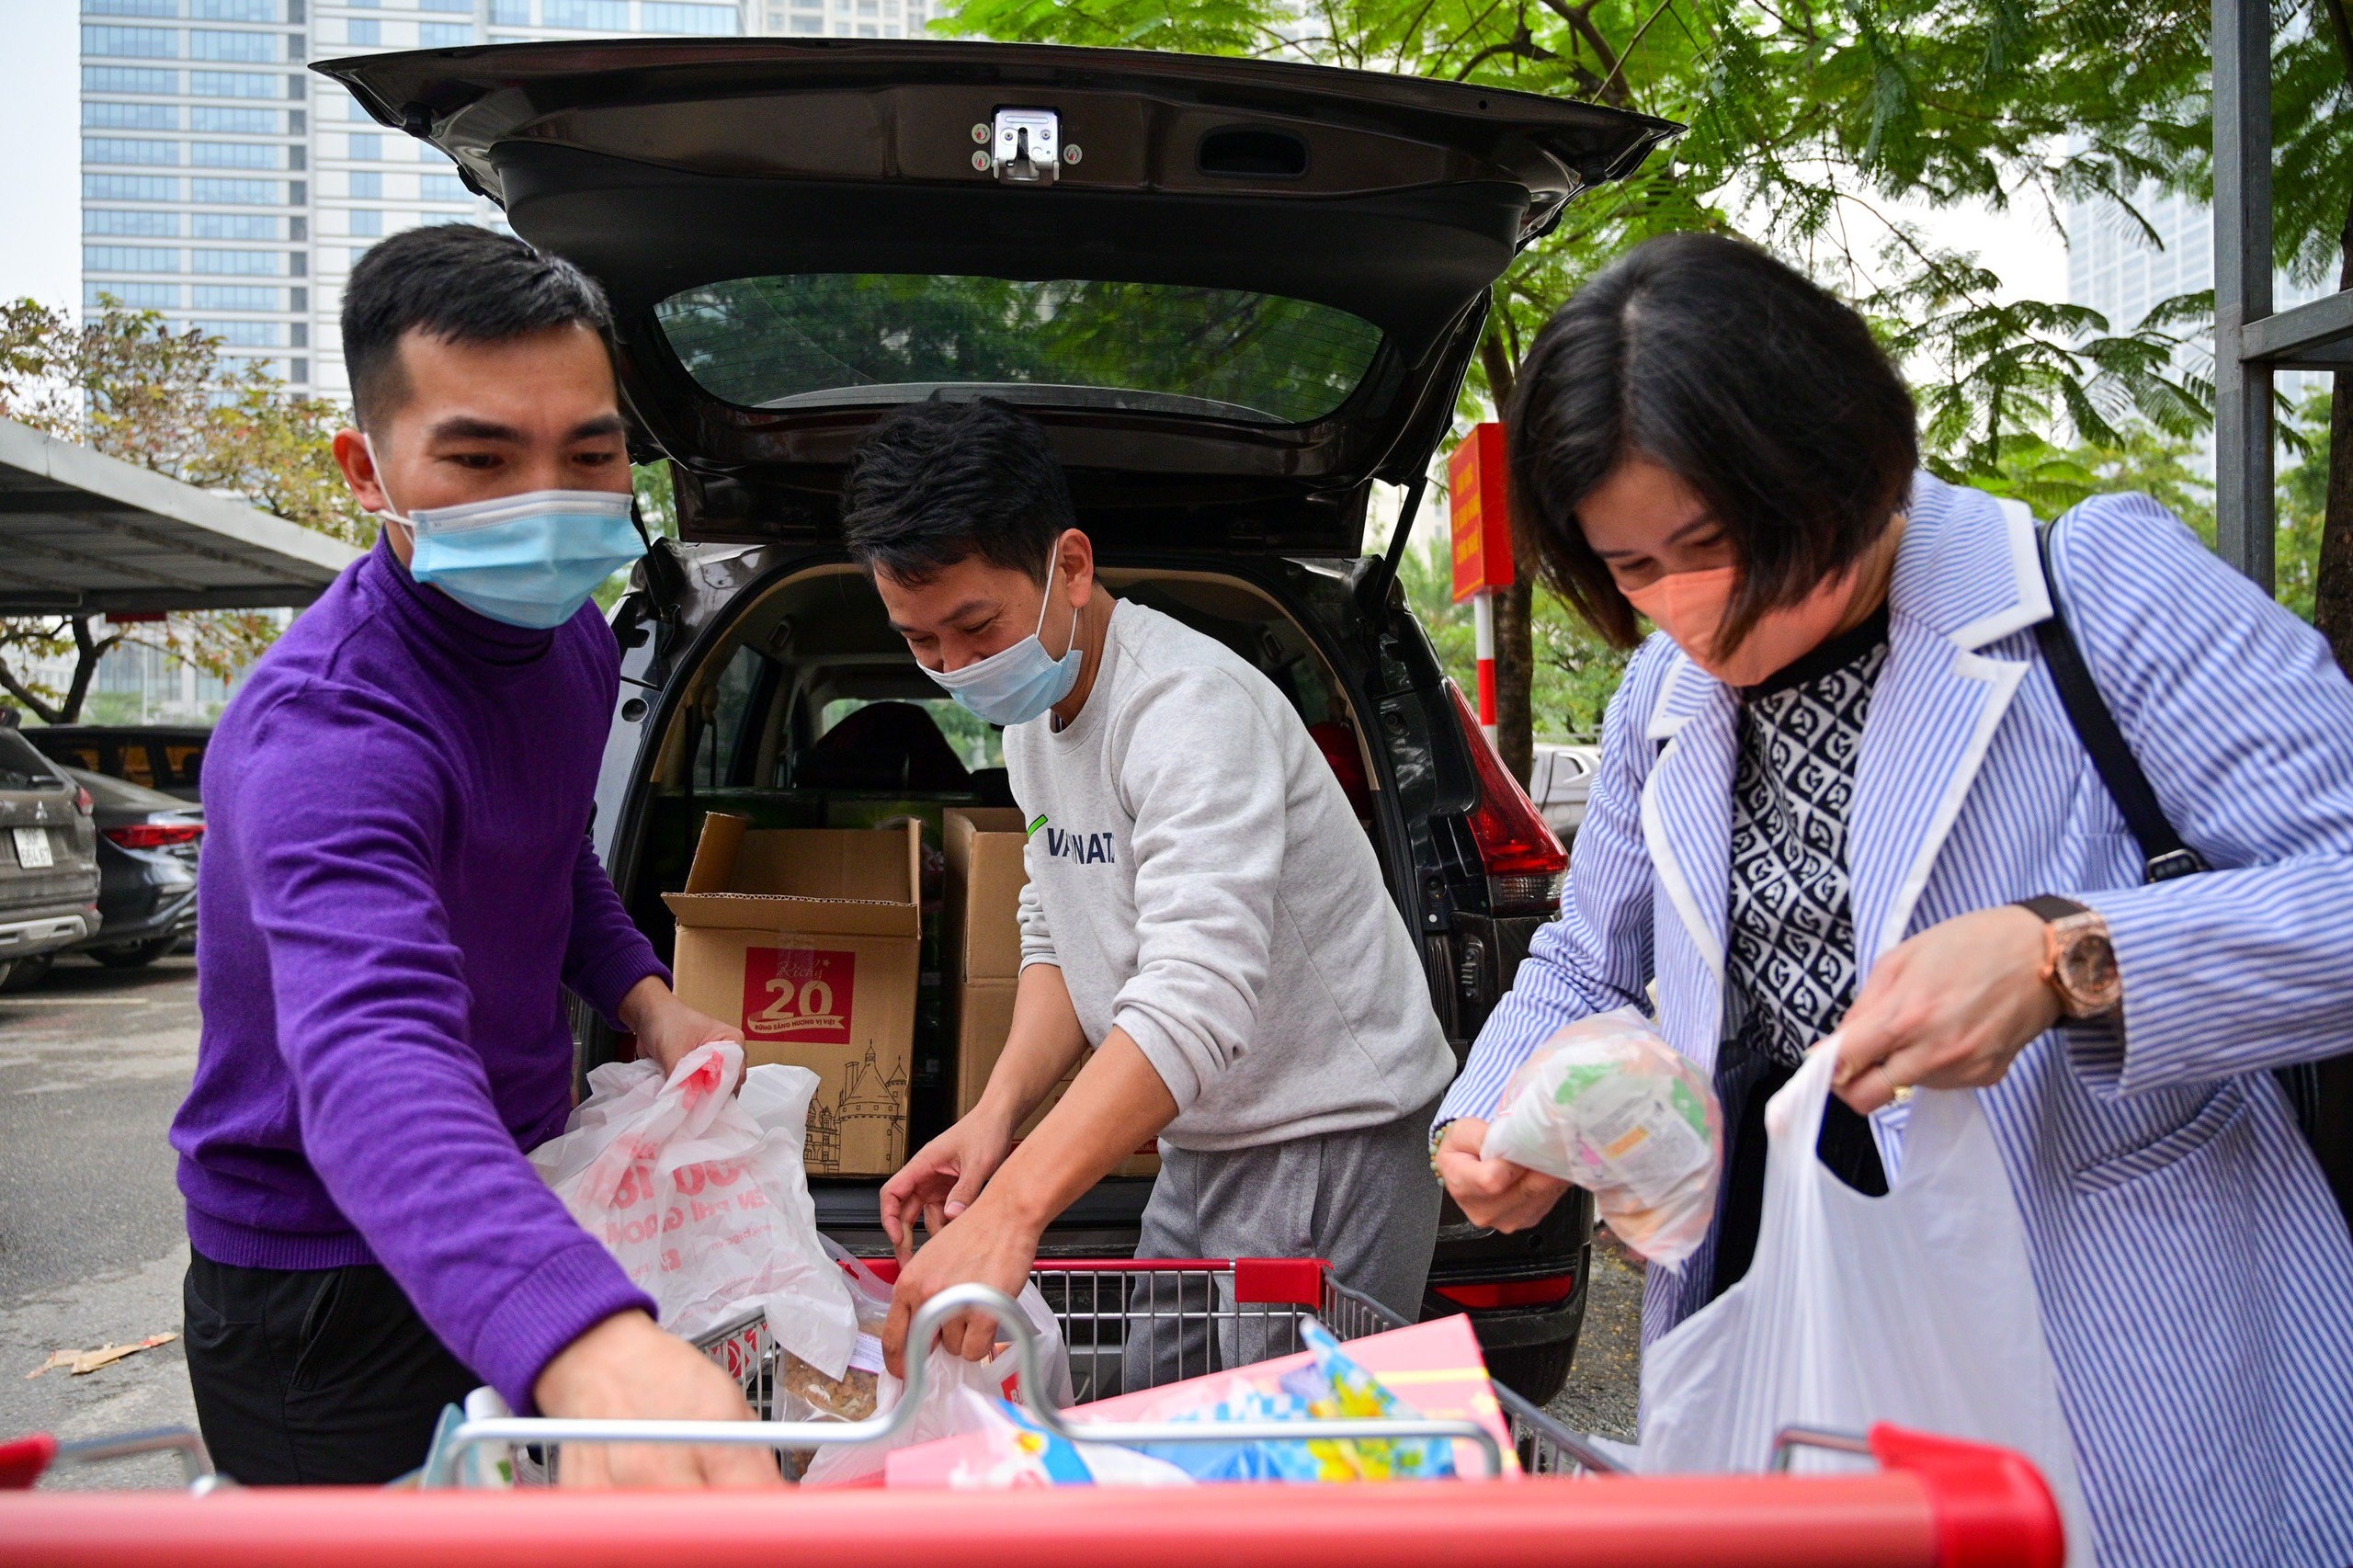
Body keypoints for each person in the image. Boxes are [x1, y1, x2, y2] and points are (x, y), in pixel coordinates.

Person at [1431, 232, 2353, 1568]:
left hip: (2112, 1327)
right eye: (1631, 569)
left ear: (1837, 461)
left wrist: (2069, 957)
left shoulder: (2094, 591)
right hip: (1784, 1310)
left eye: (1713, 539)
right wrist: (1490, 1114)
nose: (1689, 602)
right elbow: (1591, 955)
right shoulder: (1663, 699)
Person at [169, 224, 776, 1489]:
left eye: (590, 451)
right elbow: (372, 1050)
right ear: (365, 466)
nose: (546, 499)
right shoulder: (329, 731)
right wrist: (589, 1339)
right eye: (482, 457)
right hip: (320, 1288)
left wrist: (649, 1000)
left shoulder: (572, 647)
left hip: (519, 1204)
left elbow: (551, 859)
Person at [854, 399, 1457, 1381]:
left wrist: (1014, 1212)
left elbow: (1194, 993)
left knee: (1281, 1488)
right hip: (1202, 1127)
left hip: (1320, 1127)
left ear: (1071, 567)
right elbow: (1062, 922)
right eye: (922, 643)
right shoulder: (1030, 723)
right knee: (1152, 1425)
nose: (958, 669)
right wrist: (996, 1115)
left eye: (974, 626)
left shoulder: (1186, 710)